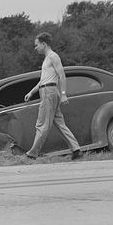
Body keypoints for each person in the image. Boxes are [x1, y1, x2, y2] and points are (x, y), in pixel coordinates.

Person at [23, 32, 82, 161]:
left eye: (37, 45)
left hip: (49, 92)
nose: (36, 48)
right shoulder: (46, 59)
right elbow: (43, 80)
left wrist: (64, 94)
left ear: (44, 44)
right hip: (47, 90)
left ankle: (31, 154)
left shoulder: (53, 56)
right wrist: (31, 92)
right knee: (60, 123)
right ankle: (76, 149)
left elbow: (62, 75)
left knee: (42, 124)